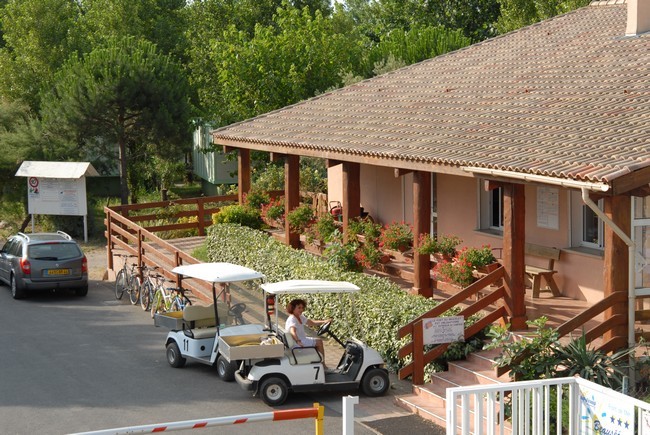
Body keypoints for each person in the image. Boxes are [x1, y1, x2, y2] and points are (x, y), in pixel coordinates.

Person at [285, 298, 331, 366]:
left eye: (302, 308)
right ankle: (323, 365)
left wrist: (324, 321)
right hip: (297, 342)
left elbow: (311, 323)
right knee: (319, 342)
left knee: (317, 341)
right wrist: (298, 341)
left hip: (302, 339)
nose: (301, 310)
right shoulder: (292, 319)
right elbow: (292, 331)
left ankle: (319, 363)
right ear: (293, 308)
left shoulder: (300, 316)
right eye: (299, 308)